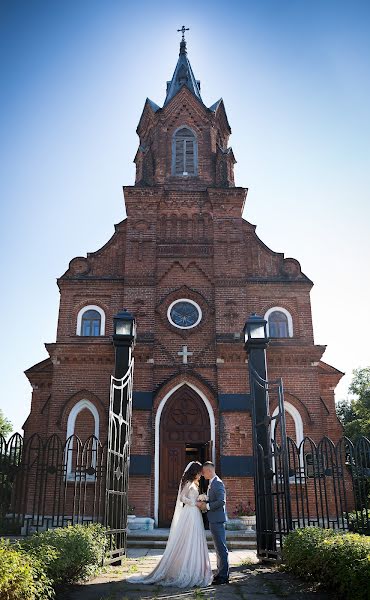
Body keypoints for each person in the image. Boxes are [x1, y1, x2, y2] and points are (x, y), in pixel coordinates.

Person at [127, 461, 212, 588]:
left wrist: (200, 500)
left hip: (195, 514)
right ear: (195, 472)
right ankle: (183, 567)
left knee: (195, 539)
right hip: (189, 513)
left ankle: (194, 567)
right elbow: (182, 498)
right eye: (199, 472)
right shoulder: (189, 483)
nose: (201, 475)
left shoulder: (195, 483)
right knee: (187, 539)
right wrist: (195, 503)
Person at [197, 461, 229, 585]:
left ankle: (224, 577)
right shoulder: (212, 483)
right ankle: (220, 573)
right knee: (218, 548)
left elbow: (222, 501)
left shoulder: (218, 483)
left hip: (218, 520)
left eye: (204, 472)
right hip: (213, 519)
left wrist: (207, 506)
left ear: (209, 471)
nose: (203, 475)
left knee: (221, 548)